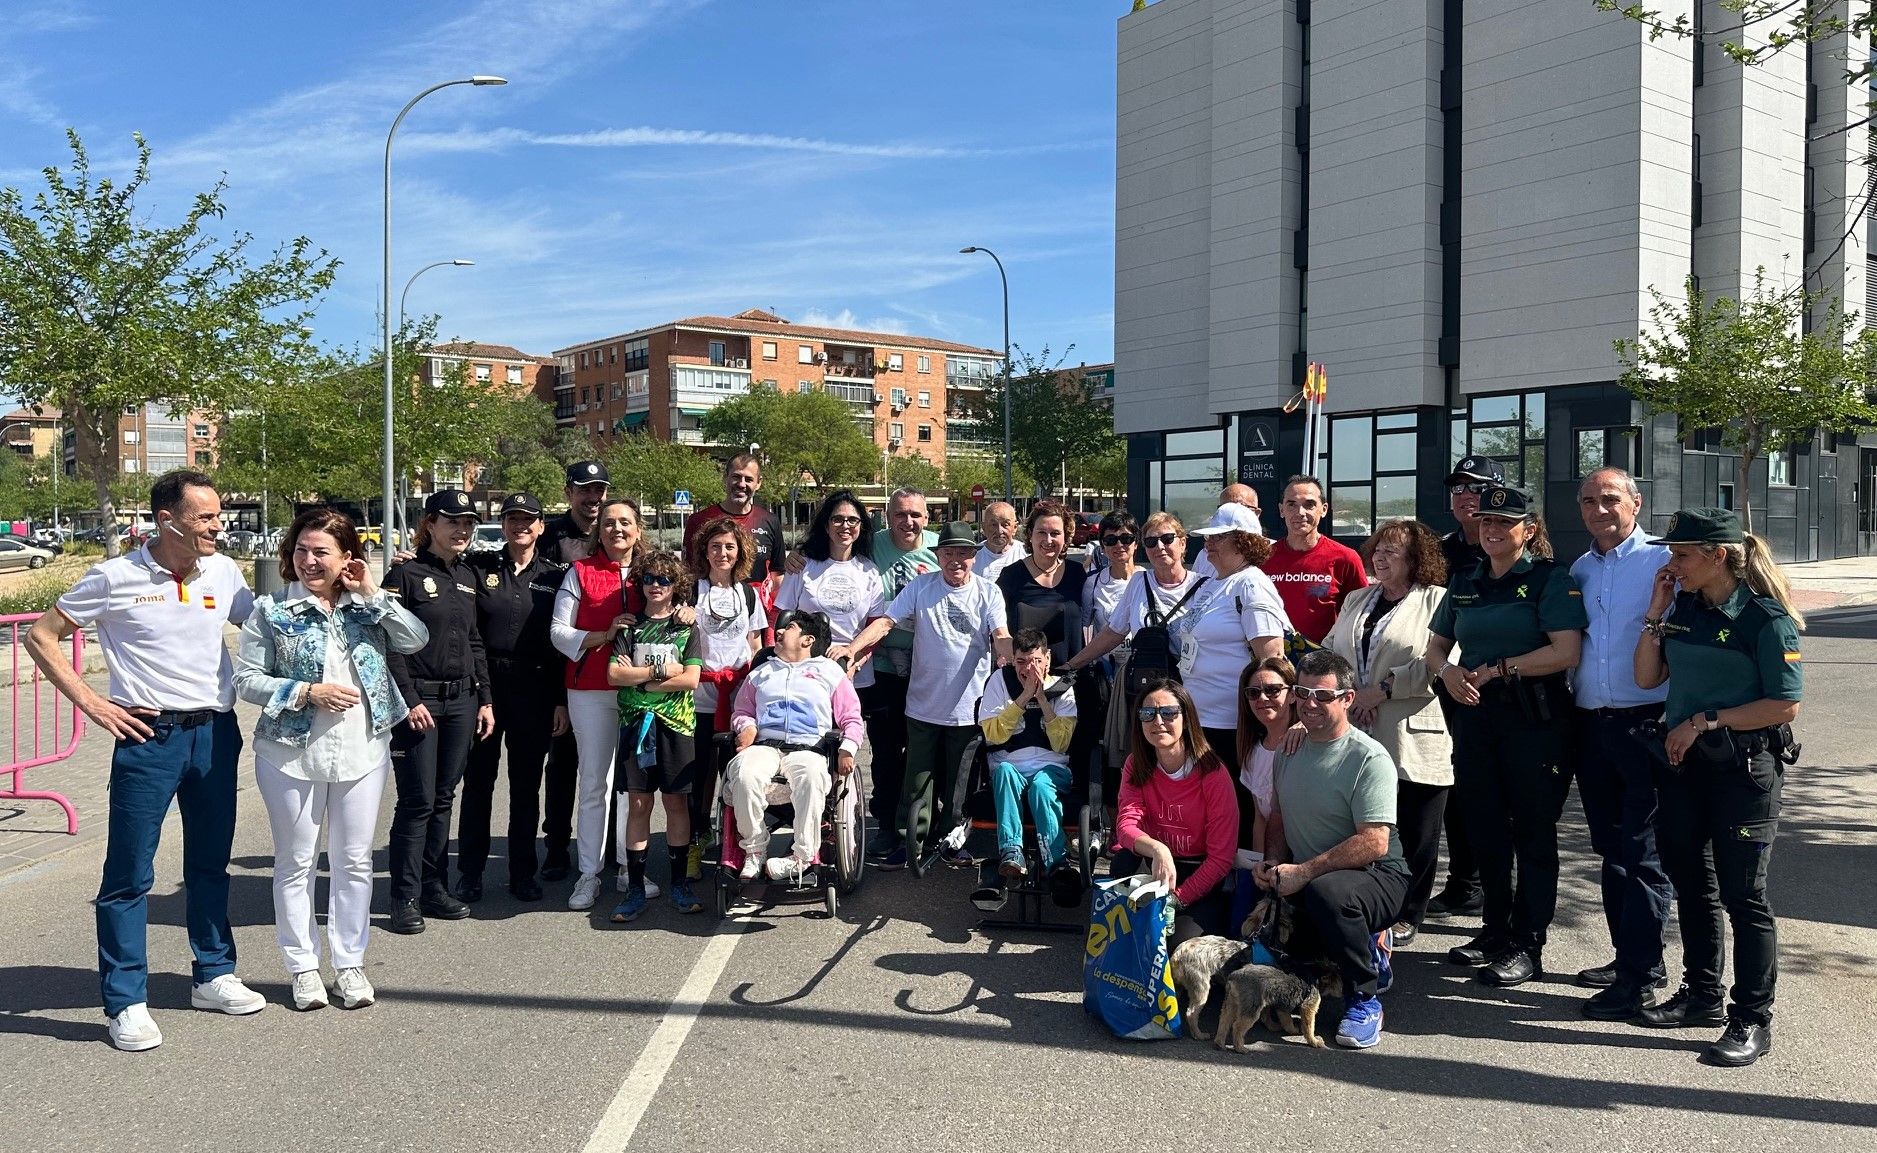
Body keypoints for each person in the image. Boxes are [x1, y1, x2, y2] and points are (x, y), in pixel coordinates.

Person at [24, 470, 264, 1051]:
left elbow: (263, 629)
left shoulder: (224, 572)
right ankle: (126, 1001)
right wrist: (92, 702)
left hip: (216, 732)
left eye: (217, 515)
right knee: (130, 872)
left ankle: (213, 973)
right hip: (148, 737)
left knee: (209, 863)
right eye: (205, 517)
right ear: (167, 520)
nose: (217, 526)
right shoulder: (114, 576)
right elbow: (40, 635)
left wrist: (339, 592)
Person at [234, 507, 428, 1010]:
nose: (309, 561)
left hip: (362, 749)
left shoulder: (368, 606)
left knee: (354, 860)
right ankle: (302, 968)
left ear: (348, 558)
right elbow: (247, 679)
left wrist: (370, 594)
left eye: (321, 552)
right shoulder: (271, 609)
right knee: (296, 863)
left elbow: (415, 639)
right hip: (289, 753)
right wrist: (306, 691)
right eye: (301, 550)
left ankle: (349, 964)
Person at [1632, 508, 1803, 1067]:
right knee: (1692, 885)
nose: (1671, 563)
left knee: (1743, 896)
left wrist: (1705, 719)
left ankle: (1751, 1017)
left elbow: (1784, 704)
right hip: (1685, 769)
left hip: (1743, 773)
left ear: (1718, 557)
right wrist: (1655, 616)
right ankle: (1702, 995)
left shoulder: (1764, 618)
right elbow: (1647, 677)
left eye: (1681, 554)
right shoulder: (1681, 608)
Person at [1423, 484, 1586, 988]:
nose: (1493, 530)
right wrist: (1446, 674)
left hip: (1533, 720)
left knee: (1533, 832)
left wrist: (1498, 669)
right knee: (1484, 828)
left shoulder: (1548, 579)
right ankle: (1495, 931)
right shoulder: (1467, 580)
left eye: (1505, 523)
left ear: (1528, 530)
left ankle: (1527, 943)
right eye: (1487, 523)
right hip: (1475, 719)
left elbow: (1565, 652)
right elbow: (1435, 649)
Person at [1255, 649, 1411, 1050]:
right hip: (1314, 876)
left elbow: (1374, 841)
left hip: (1376, 875)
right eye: (1302, 692)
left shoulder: (1369, 757)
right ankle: (1361, 948)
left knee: (1329, 895)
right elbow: (1279, 818)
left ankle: (1366, 996)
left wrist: (1304, 872)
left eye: (1323, 696)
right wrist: (1273, 862)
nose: (1310, 703)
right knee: (1279, 953)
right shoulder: (1289, 749)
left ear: (1348, 698)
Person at [1570, 468, 1674, 1019]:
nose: (1598, 509)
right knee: (1611, 849)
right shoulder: (1581, 569)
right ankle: (1631, 957)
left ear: (1636, 501)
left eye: (1610, 499)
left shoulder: (1664, 561)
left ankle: (1641, 976)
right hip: (1593, 725)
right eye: (1588, 500)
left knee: (1642, 852)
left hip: (1647, 724)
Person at [849, 520, 1012, 868]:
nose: (956, 559)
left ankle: (952, 841)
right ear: (938, 555)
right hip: (922, 706)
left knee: (958, 785)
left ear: (974, 556)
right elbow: (885, 623)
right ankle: (909, 842)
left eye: (964, 553)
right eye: (949, 552)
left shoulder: (988, 592)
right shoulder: (921, 587)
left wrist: (1010, 657)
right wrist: (853, 648)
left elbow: (1000, 633)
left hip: (970, 709)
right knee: (917, 781)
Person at [1321, 518, 1451, 943]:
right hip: (1354, 726)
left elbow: (1441, 664)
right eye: (1377, 549)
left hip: (1408, 730)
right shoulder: (1357, 598)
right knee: (1364, 823)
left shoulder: (1438, 601)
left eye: (1391, 551)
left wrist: (1382, 690)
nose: (1379, 557)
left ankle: (1410, 912)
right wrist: (1344, 693)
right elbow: (1329, 650)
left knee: (1415, 828)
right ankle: (1369, 901)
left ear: (1416, 560)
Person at [383, 489, 496, 936]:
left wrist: (485, 698)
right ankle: (404, 896)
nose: (462, 529)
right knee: (417, 801)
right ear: (430, 523)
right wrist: (408, 700)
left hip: (461, 701)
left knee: (445, 797)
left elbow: (473, 641)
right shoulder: (405, 574)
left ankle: (434, 886)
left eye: (468, 522)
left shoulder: (467, 575)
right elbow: (389, 644)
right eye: (453, 521)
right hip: (420, 701)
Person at [460, 492, 568, 903]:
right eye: (512, 519)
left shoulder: (557, 576)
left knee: (525, 786)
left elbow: (561, 644)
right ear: (503, 525)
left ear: (541, 526)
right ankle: (469, 873)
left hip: (536, 689)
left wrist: (560, 700)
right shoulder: (479, 567)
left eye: (529, 520)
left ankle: (523, 871)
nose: (520, 526)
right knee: (478, 784)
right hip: (486, 687)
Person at [1061, 510, 1201, 812]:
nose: (1160, 547)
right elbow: (1112, 631)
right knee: (1139, 753)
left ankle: (1178, 819)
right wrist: (1074, 664)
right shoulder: (1140, 583)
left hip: (1189, 689)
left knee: (1180, 754)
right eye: (1152, 541)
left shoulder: (1205, 587)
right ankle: (1137, 820)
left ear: (1183, 543)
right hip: (1141, 687)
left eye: (1167, 539)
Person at [549, 497, 647, 912]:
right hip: (590, 690)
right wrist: (602, 636)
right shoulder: (580, 572)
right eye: (609, 523)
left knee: (634, 786)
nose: (617, 530)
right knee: (595, 783)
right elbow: (558, 632)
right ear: (598, 530)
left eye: (625, 522)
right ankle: (589, 872)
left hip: (643, 690)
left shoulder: (653, 572)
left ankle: (629, 867)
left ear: (638, 530)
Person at [724, 610, 865, 885]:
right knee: (743, 773)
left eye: (788, 628)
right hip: (765, 745)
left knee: (812, 776)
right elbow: (741, 711)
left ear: (807, 640)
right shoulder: (761, 673)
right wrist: (747, 726)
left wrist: (847, 748)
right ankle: (754, 849)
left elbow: (851, 717)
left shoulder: (830, 673)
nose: (778, 632)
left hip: (808, 748)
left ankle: (801, 856)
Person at [608, 550, 705, 921]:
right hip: (636, 725)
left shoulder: (685, 627)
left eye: (664, 580)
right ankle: (634, 888)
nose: (655, 586)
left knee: (677, 804)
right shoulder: (629, 627)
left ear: (676, 585)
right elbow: (614, 675)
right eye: (649, 578)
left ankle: (678, 885)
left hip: (677, 726)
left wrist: (641, 675)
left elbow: (691, 679)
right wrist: (663, 673)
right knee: (637, 805)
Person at [1427, 454, 1502, 918]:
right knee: (1455, 788)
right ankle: (1464, 883)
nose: (1465, 498)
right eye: (1458, 490)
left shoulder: (1517, 547)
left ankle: (1498, 896)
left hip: (1501, 686)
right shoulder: (1440, 552)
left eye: (1475, 489)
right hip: (1446, 684)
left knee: (1495, 796)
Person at [1111, 678, 1238, 947]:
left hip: (1199, 873)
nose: (1158, 721)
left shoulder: (1213, 773)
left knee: (1177, 946)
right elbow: (1125, 827)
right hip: (1155, 866)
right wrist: (1159, 849)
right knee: (1131, 938)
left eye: (1168, 712)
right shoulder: (1136, 764)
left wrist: (1177, 898)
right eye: (1148, 714)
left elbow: (1221, 858)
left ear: (1187, 717)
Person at [848, 488, 939, 862]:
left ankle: (924, 824)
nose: (909, 522)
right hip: (883, 666)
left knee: (924, 751)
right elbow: (831, 546)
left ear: (928, 518)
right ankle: (885, 824)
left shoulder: (941, 547)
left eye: (916, 515)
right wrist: (796, 555)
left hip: (929, 666)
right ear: (887, 516)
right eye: (900, 514)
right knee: (886, 750)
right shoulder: (871, 544)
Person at [536, 460, 612, 881]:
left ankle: (609, 848)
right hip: (557, 666)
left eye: (599, 489)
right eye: (585, 490)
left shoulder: (614, 536)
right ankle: (556, 845)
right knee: (563, 764)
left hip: (607, 670)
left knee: (609, 769)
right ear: (569, 493)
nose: (593, 498)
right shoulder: (549, 537)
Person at [685, 515, 768, 880]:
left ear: (740, 553)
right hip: (696, 697)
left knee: (735, 774)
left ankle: (734, 839)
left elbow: (755, 645)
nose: (722, 553)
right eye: (715, 546)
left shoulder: (748, 593)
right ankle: (695, 838)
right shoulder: (691, 590)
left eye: (729, 547)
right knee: (698, 775)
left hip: (737, 701)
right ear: (704, 550)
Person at [1179, 504, 1290, 770]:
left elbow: (1271, 659)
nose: (1208, 544)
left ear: (1243, 542)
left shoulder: (1251, 584)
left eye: (1217, 537)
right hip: (1201, 720)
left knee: (1234, 804)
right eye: (1208, 537)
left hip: (1234, 726)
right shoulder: (1214, 583)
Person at [976, 627, 1082, 900]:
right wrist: (1023, 698)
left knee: (1042, 787)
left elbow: (1061, 743)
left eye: (1035, 660)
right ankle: (1012, 853)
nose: (1029, 668)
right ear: (1013, 661)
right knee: (1004, 772)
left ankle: (1056, 862)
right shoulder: (999, 682)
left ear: (1047, 659)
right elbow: (993, 734)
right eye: (1021, 661)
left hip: (1052, 768)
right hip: (1010, 764)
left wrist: (1043, 700)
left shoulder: (1064, 688)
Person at [778, 490, 889, 685]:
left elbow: (875, 630)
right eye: (837, 519)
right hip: (804, 673)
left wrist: (855, 661)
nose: (845, 525)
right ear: (826, 526)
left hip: (852, 675)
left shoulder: (870, 571)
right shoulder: (802, 564)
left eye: (853, 520)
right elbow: (779, 616)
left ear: (861, 527)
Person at [1230, 656, 1296, 930]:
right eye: (1253, 692)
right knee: (1238, 922)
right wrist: (1261, 866)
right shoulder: (1252, 752)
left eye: (1272, 690)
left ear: (1293, 694)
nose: (1262, 698)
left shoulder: (1308, 742)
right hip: (1271, 854)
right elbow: (1260, 817)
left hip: (1303, 856)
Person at [1262, 475, 1368, 643]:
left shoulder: (1345, 558)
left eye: (1309, 505)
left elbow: (1361, 614)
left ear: (1324, 509)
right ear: (1282, 510)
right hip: (1274, 662)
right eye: (1292, 505)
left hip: (1323, 662)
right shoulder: (1263, 558)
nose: (1300, 512)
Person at [996, 500, 1088, 667]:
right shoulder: (1010, 577)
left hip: (1072, 678)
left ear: (1065, 537)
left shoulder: (1078, 574)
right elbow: (996, 631)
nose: (1048, 540)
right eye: (1041, 532)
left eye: (1055, 533)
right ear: (1030, 534)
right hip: (1023, 679)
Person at [682, 452, 785, 590]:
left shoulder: (770, 521)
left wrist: (776, 610)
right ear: (726, 477)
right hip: (709, 606)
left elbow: (777, 575)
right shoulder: (699, 520)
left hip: (757, 608)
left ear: (758, 483)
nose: (742, 484)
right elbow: (687, 572)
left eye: (748, 479)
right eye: (736, 477)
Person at [1191, 483, 1263, 578]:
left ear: (1257, 513)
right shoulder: (1205, 555)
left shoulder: (1273, 556)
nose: (1230, 511)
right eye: (1223, 507)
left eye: (1240, 506)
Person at [973, 500, 1027, 580]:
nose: (999, 531)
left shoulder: (1027, 554)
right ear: (984, 527)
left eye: (1005, 525)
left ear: (1015, 527)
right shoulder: (972, 556)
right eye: (993, 525)